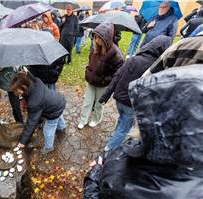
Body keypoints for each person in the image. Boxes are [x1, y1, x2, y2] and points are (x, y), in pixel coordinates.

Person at [83, 65, 203, 199]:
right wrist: (107, 155)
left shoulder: (123, 185)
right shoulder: (191, 173)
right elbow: (131, 146)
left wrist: (93, 174)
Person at [98, 36, 172, 152]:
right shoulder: (157, 67)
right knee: (124, 129)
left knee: (122, 121)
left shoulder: (133, 59)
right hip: (131, 103)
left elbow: (117, 77)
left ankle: (114, 137)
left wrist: (105, 96)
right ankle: (107, 151)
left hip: (119, 99)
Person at [78, 23, 124, 129]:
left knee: (99, 104)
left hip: (103, 84)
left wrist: (105, 79)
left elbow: (117, 74)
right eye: (95, 37)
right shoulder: (95, 48)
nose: (96, 40)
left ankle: (96, 119)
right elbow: (90, 61)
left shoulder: (116, 54)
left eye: (99, 38)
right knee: (87, 102)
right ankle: (83, 120)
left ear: (106, 38)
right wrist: (88, 71)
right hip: (91, 81)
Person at [11, 73, 66, 155]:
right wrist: (28, 74)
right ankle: (62, 127)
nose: (15, 93)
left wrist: (22, 141)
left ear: (24, 86)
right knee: (59, 116)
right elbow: (31, 77)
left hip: (54, 110)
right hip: (58, 100)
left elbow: (31, 123)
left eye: (17, 90)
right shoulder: (36, 81)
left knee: (48, 130)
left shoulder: (34, 102)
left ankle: (49, 147)